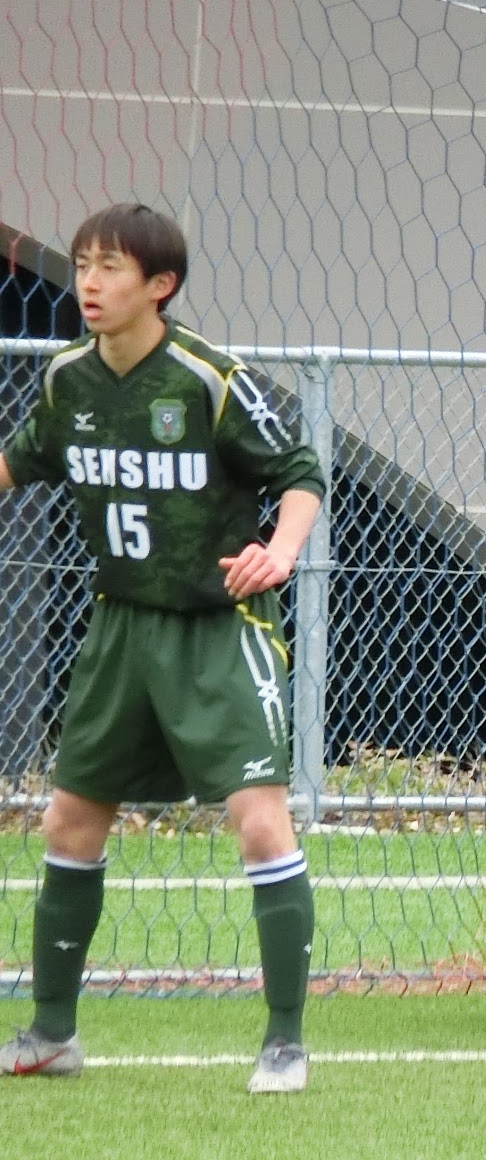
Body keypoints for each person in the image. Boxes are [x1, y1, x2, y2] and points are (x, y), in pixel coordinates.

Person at [0, 203, 325, 1093]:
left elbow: (300, 473)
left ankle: (285, 1042)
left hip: (217, 628)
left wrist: (281, 552)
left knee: (260, 823)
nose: (89, 284)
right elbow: (17, 461)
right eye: (81, 266)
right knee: (70, 820)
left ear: (161, 286)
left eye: (110, 268)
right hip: (120, 629)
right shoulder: (67, 379)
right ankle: (52, 1033)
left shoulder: (209, 379)